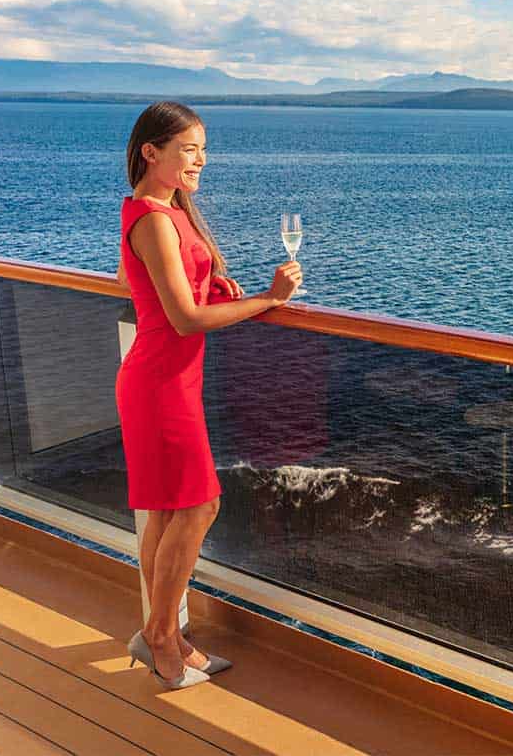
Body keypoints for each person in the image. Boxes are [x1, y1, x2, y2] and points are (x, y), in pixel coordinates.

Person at [114, 100, 302, 689]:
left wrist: (209, 278)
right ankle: (162, 637)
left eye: (203, 151)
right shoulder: (153, 218)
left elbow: (134, 280)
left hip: (169, 380)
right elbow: (186, 319)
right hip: (159, 384)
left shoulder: (163, 212)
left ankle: (162, 631)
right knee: (199, 505)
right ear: (152, 151)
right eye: (189, 149)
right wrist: (268, 299)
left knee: (170, 510)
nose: (200, 161)